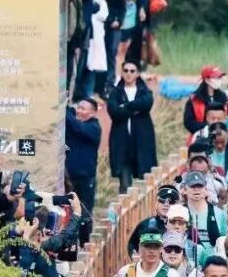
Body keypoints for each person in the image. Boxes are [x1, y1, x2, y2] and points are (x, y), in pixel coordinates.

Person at [108, 62, 158, 193]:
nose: (129, 73)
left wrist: (125, 106)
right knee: (124, 183)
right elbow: (114, 111)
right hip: (122, 142)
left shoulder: (143, 90)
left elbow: (146, 103)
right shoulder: (116, 92)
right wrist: (134, 110)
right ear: (122, 72)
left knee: (145, 180)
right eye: (126, 70)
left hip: (141, 141)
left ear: (137, 73)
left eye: (132, 71)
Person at [65, 97, 102, 211]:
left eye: (83, 109)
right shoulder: (73, 124)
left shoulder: (94, 127)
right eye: (78, 108)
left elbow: (78, 128)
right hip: (70, 176)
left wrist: (63, 109)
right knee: (69, 209)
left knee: (85, 209)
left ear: (93, 112)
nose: (79, 111)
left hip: (85, 178)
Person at [185, 65, 228, 137]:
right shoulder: (194, 99)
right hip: (200, 136)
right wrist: (208, 128)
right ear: (207, 80)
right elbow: (189, 123)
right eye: (216, 77)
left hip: (221, 136)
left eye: (219, 77)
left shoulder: (224, 97)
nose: (219, 80)